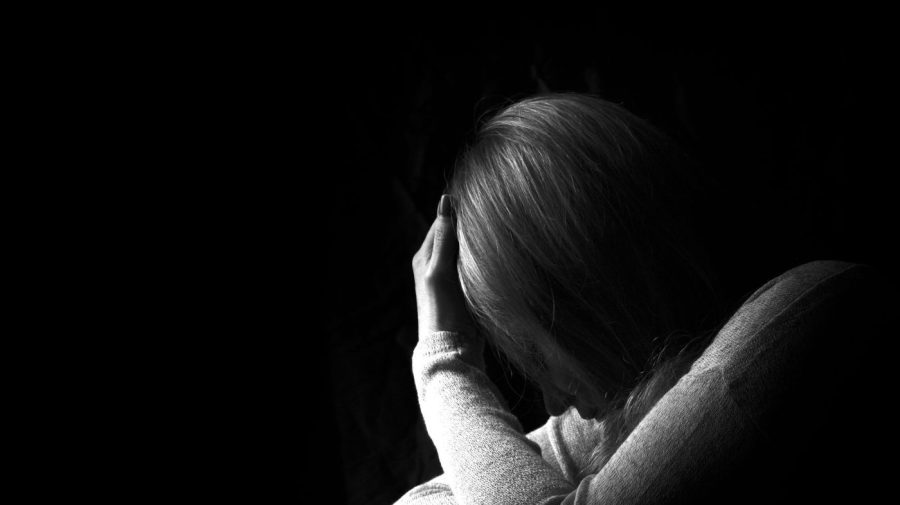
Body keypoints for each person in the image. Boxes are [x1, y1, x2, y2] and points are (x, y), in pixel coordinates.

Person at [395, 93, 894, 504]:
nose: (551, 402)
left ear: (589, 293)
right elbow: (429, 496)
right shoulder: (632, 408)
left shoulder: (810, 314)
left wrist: (445, 361)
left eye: (533, 354)